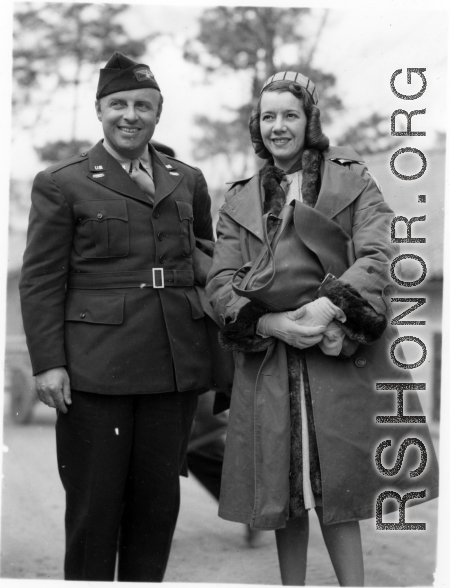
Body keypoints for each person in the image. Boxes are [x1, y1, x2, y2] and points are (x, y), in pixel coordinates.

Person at [206, 71, 439, 586]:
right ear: (256, 126)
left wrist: (328, 309)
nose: (278, 127)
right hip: (270, 359)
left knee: (339, 490)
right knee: (284, 492)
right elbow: (220, 280)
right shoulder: (238, 200)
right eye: (268, 117)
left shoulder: (353, 181)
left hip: (337, 358)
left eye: (290, 114)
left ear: (309, 121)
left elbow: (379, 253)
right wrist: (269, 322)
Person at [19, 52, 214, 582]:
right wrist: (48, 364)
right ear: (100, 110)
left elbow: (206, 266)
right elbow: (39, 280)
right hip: (94, 370)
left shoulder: (188, 180)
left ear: (158, 113)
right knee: (94, 510)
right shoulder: (63, 182)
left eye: (143, 106)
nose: (131, 115)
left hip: (172, 367)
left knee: (156, 510)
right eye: (119, 104)